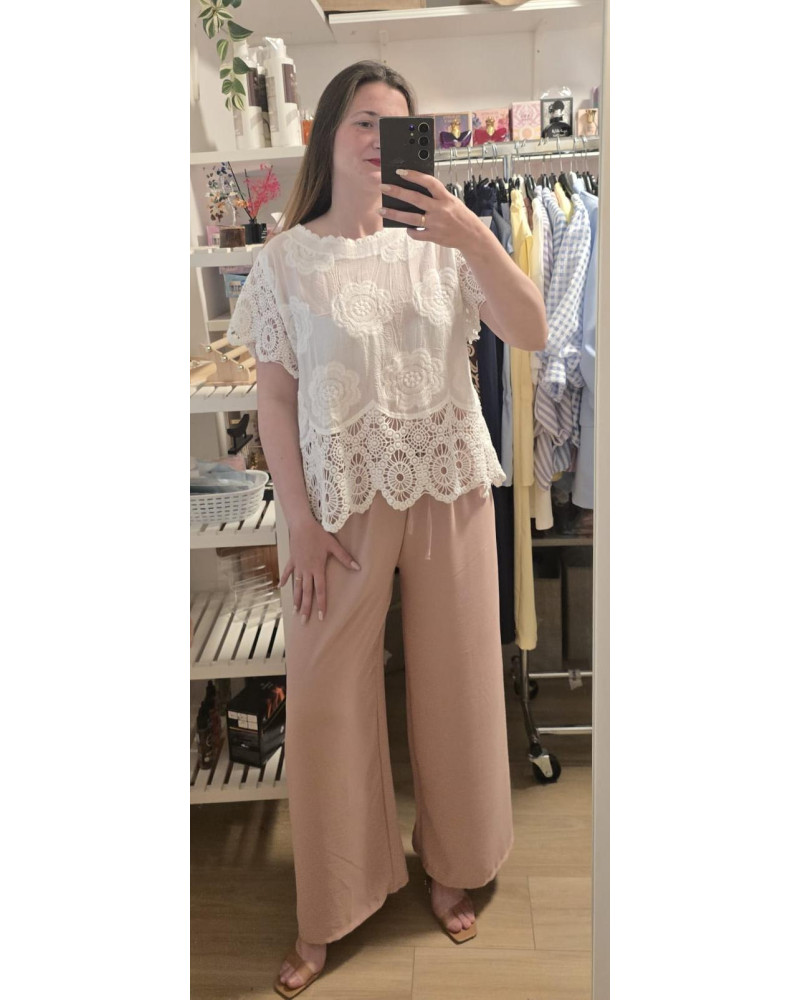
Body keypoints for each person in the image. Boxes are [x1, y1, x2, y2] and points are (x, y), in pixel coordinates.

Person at [226, 60, 548, 997]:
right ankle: (332, 903)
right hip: (337, 505)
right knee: (325, 702)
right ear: (328, 136)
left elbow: (530, 331)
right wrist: (296, 521)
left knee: (459, 687)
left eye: (396, 125)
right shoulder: (285, 261)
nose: (377, 139)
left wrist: (473, 235)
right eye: (362, 121)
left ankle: (457, 864)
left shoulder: (446, 241)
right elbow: (273, 402)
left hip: (449, 484)